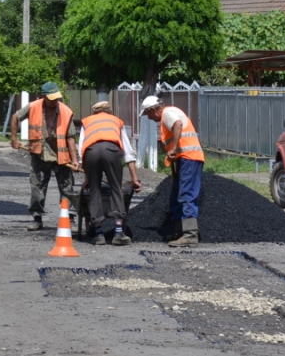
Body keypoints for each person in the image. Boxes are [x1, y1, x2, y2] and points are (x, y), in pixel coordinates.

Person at [11, 82, 80, 231]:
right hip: (39, 154)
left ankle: (69, 218)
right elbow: (15, 117)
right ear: (44, 96)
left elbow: (70, 138)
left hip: (61, 156)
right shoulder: (33, 106)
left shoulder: (65, 111)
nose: (55, 101)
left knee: (67, 189)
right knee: (37, 187)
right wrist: (14, 139)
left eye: (57, 98)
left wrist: (75, 161)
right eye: (52, 98)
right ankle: (37, 219)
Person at [140, 95, 205, 247]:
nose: (148, 118)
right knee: (176, 196)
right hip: (183, 161)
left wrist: (175, 148)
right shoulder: (167, 115)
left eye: (147, 114)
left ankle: (190, 235)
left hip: (189, 158)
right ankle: (180, 231)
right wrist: (175, 175)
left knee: (186, 194)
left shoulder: (168, 113)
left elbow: (178, 124)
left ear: (152, 110)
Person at [78, 101, 142, 245]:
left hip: (91, 152)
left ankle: (98, 233)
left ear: (95, 112)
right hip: (112, 151)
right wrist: (135, 179)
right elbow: (129, 153)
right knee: (115, 188)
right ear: (110, 111)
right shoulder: (116, 121)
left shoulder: (87, 121)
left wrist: (87, 178)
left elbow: (81, 149)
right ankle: (118, 232)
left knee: (95, 190)